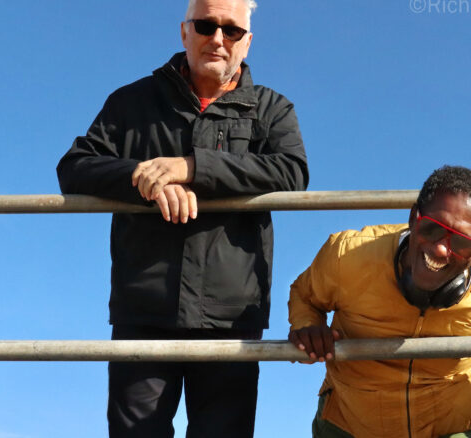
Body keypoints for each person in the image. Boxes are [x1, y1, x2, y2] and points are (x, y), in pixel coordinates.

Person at [57, 0, 308, 436]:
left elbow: (291, 171)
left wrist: (192, 167)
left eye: (231, 30)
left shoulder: (273, 109)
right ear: (184, 31)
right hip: (144, 310)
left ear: (247, 42)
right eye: (206, 25)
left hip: (231, 317)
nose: (217, 39)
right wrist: (142, 176)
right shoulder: (131, 101)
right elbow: (75, 166)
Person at [288, 165, 471, 438]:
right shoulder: (347, 255)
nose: (440, 248)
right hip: (349, 421)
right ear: (414, 217)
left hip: (444, 424)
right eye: (432, 229)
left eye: (461, 244)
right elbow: (304, 295)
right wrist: (309, 327)